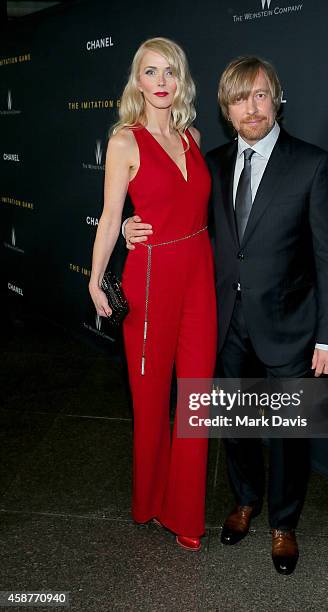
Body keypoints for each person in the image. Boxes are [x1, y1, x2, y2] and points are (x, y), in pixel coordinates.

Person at [123, 55, 328, 573]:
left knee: (291, 432)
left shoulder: (313, 164)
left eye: (260, 95)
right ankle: (244, 501)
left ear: (278, 100)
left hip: (292, 326)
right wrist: (128, 229)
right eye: (238, 98)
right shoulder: (212, 161)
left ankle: (284, 524)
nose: (251, 108)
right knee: (238, 423)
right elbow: (177, 217)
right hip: (222, 320)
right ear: (225, 109)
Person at [89, 37, 217, 552]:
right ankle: (149, 500)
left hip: (199, 273)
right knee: (149, 397)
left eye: (169, 72)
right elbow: (112, 216)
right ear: (137, 81)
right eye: (150, 71)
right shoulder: (125, 141)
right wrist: (96, 276)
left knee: (196, 397)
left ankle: (185, 511)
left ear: (180, 80)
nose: (161, 81)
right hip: (150, 277)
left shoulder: (192, 136)